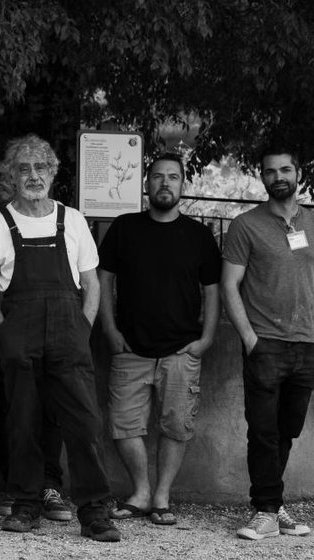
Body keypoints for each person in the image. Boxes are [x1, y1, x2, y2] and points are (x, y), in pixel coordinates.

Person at [0, 134, 119, 542]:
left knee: (84, 423)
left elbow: (91, 284)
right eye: (23, 169)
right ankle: (26, 504)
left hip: (69, 333)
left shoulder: (71, 220)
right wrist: (5, 333)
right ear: (12, 175)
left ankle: (94, 512)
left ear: (53, 172)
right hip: (19, 335)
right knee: (22, 422)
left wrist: (82, 329)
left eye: (41, 167)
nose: (33, 176)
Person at [97, 153, 221, 527]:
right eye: (157, 176)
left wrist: (206, 338)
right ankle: (140, 492)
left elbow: (212, 290)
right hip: (130, 347)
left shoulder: (199, 235)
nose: (165, 183)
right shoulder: (124, 228)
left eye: (173, 177)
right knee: (123, 425)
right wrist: (109, 330)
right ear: (146, 183)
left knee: (176, 425)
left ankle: (162, 496)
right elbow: (104, 280)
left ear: (183, 184)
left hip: (181, 349)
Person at [221, 147, 314, 540]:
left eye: (285, 169)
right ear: (262, 177)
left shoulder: (312, 222)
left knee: (286, 430)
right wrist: (249, 338)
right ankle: (266, 509)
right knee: (262, 431)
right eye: (270, 171)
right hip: (265, 344)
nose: (279, 177)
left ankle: (274, 507)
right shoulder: (246, 225)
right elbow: (229, 285)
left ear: (298, 174)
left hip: (307, 344)